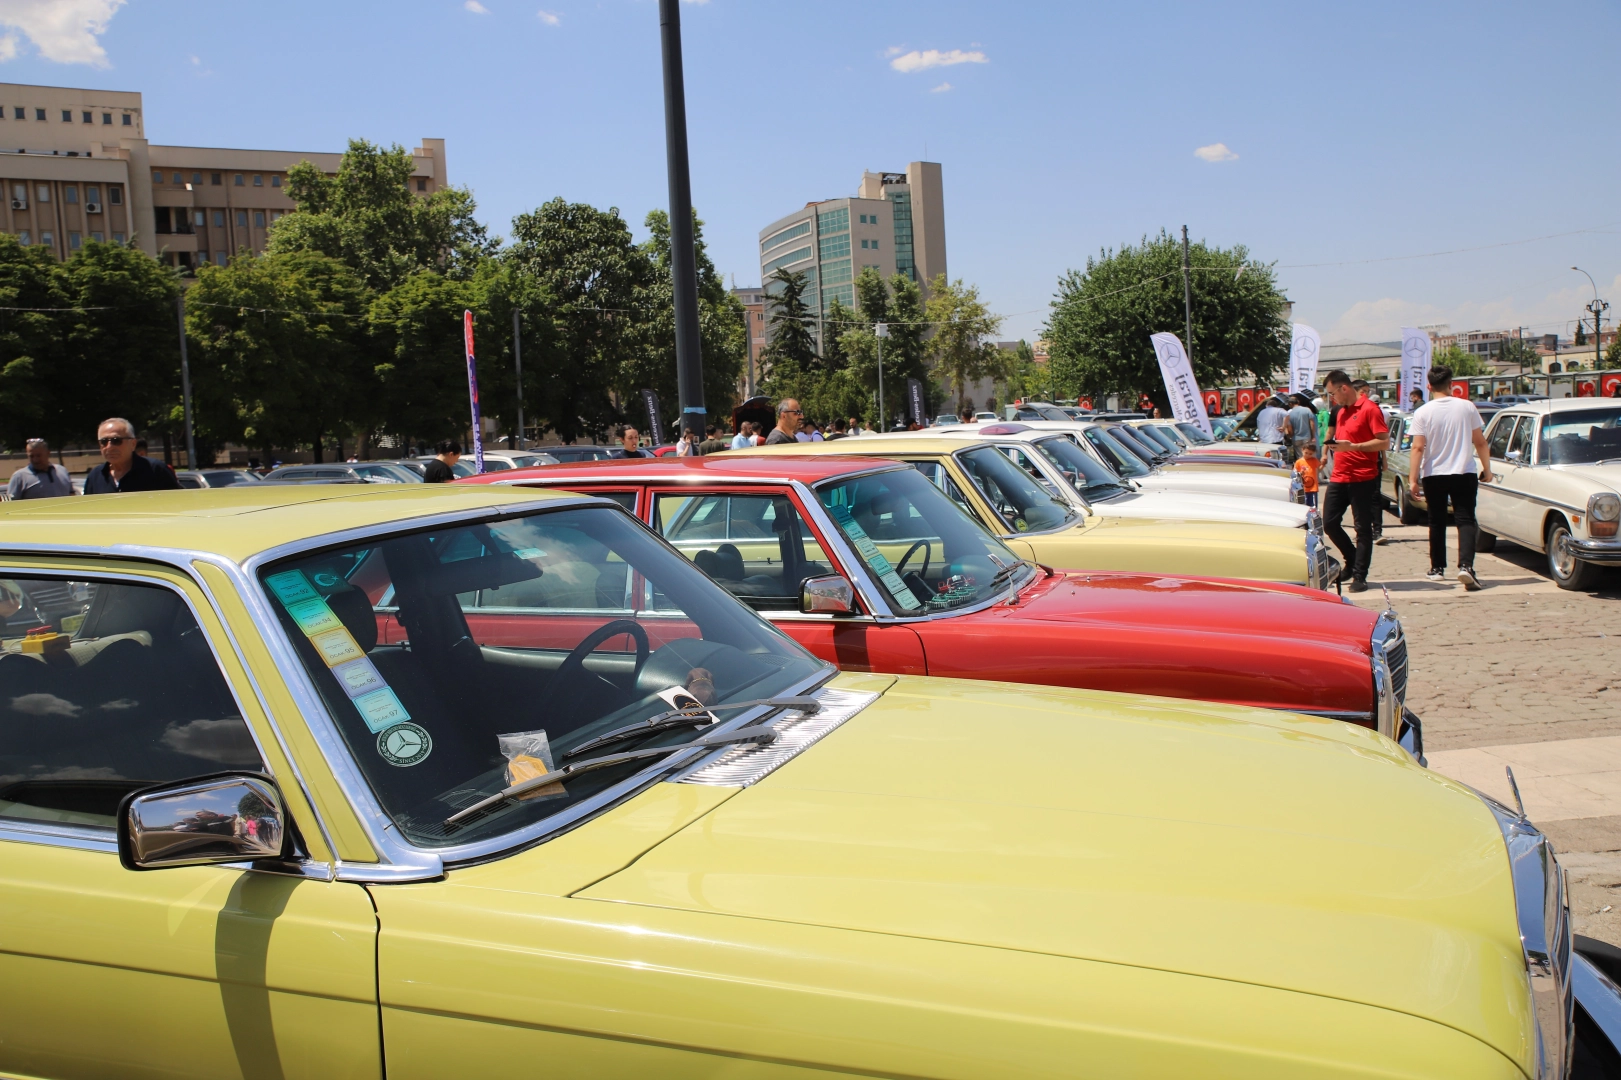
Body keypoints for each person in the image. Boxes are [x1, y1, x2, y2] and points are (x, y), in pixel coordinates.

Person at [1408, 365, 1493, 590]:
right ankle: (1466, 566)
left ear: (1429, 386)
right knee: (1465, 519)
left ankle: (1437, 568)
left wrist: (1412, 479)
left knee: (1436, 521)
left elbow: (1417, 447)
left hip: (1434, 473)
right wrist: (1488, 468)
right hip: (1464, 471)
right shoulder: (1467, 407)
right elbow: (1480, 441)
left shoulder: (1423, 412)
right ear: (1451, 383)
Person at [1320, 370, 1389, 592]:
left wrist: (1354, 447)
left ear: (1344, 388)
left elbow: (1383, 442)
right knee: (1329, 522)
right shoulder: (1340, 411)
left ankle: (1360, 575)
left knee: (1363, 528)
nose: (1332, 398)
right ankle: (1351, 560)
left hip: (1363, 477)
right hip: (1340, 475)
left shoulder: (1370, 409)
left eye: (1333, 393)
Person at [82, 419, 182, 494]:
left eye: (116, 440)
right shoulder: (95, 476)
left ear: (133, 444)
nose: (109, 447)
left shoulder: (156, 470)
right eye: (104, 442)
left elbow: (177, 505)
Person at [7, 439, 74, 499]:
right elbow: (10, 505)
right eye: (31, 456)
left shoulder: (62, 471)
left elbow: (72, 495)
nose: (35, 460)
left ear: (48, 454)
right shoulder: (19, 477)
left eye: (39, 456)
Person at [1284, 393, 1317, 465]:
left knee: (1301, 458)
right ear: (1298, 402)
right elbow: (1312, 423)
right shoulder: (1307, 410)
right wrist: (1313, 436)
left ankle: (1302, 473)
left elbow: (1290, 429)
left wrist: (1290, 436)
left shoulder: (1289, 414)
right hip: (1307, 438)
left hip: (1296, 439)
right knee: (1310, 457)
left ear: (1290, 404)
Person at [1294, 442, 1321, 509]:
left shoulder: (1314, 460)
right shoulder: (1298, 462)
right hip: (1303, 488)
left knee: (1313, 506)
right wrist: (1300, 473)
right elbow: (1294, 473)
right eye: (1306, 453)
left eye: (1310, 454)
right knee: (1304, 504)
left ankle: (1314, 516)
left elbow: (1319, 469)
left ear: (1313, 453)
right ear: (1302, 450)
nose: (1308, 455)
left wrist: (1323, 464)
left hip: (1313, 488)